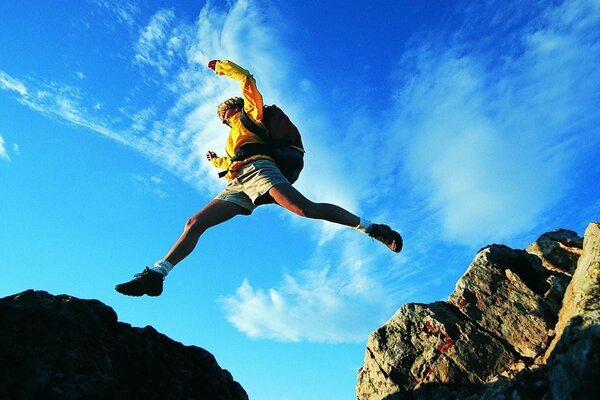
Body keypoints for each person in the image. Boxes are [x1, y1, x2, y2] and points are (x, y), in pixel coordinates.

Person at [115, 59, 402, 297]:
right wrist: (218, 161)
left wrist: (223, 67)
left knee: (306, 209)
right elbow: (232, 161)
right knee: (194, 222)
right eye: (221, 118)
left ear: (233, 107)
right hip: (238, 182)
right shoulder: (232, 137)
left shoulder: (252, 112)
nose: (222, 119)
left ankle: (372, 228)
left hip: (261, 170)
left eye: (224, 113)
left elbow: (248, 80)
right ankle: (157, 274)